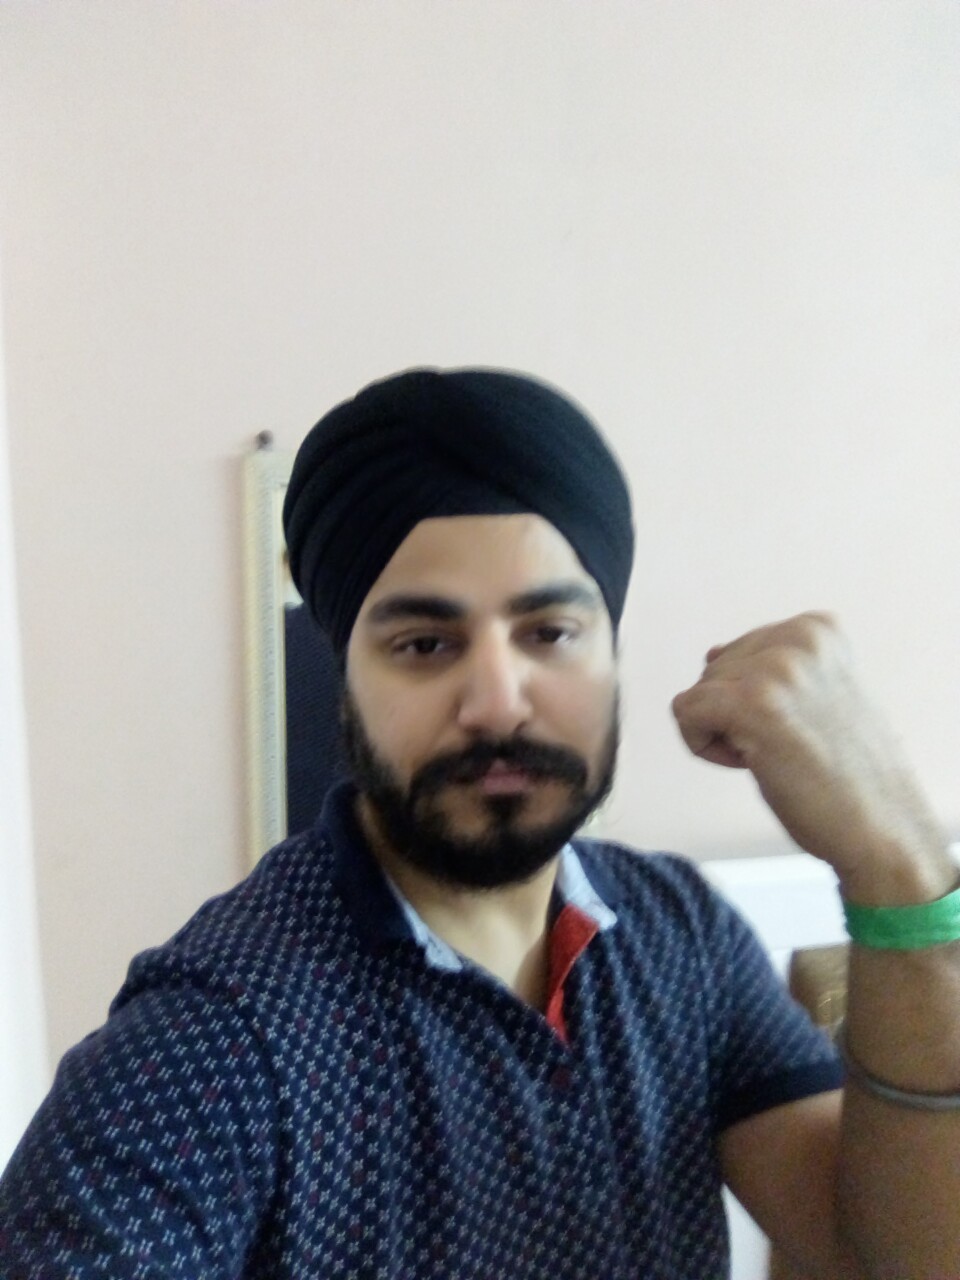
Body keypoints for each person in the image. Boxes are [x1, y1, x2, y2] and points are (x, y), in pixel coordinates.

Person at [1, 367, 957, 1279]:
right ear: (347, 680)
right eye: (425, 644)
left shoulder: (682, 937)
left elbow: (897, 1257)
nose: (499, 702)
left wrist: (901, 864)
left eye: (550, 633)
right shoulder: (219, 1037)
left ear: (611, 655)